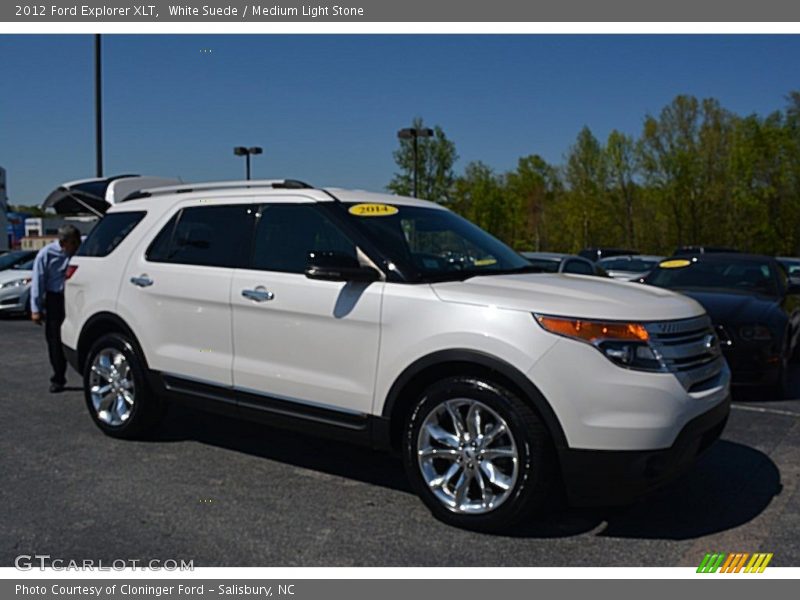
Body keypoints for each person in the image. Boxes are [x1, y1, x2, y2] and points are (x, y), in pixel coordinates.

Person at [30, 224, 81, 393]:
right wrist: (36, 309)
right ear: (63, 242)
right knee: (55, 340)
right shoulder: (46, 254)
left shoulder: (80, 250)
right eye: (73, 243)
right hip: (55, 298)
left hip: (76, 297)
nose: (76, 246)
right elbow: (38, 282)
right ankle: (58, 377)